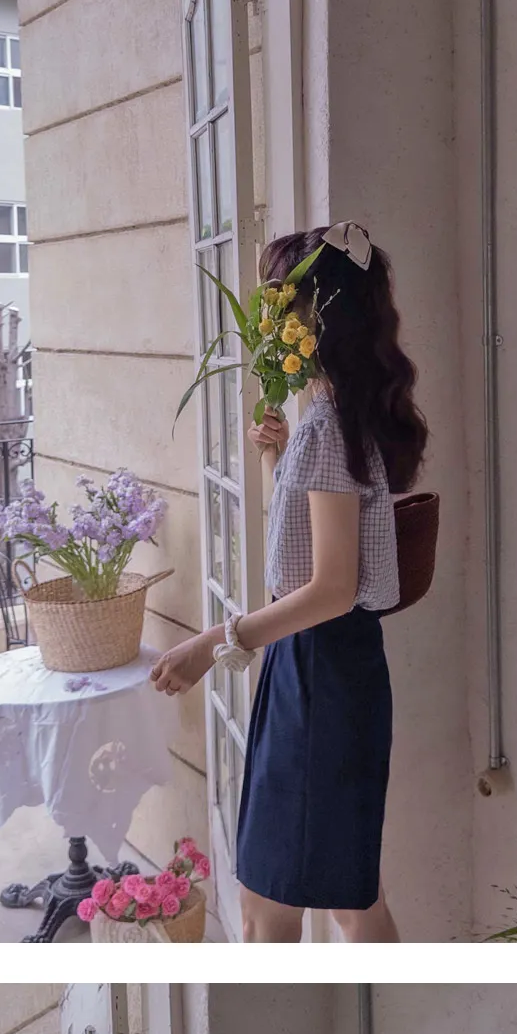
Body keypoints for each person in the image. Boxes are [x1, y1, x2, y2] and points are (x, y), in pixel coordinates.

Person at [151, 221, 427, 943]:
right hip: (335, 669)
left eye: (279, 301)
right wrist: (281, 463)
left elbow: (332, 587)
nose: (268, 319)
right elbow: (322, 553)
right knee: (348, 897)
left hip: (319, 673)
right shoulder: (340, 419)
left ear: (316, 316)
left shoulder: (328, 427)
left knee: (269, 906)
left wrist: (214, 643)